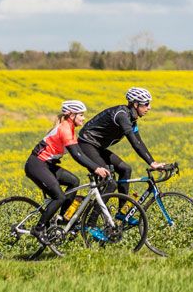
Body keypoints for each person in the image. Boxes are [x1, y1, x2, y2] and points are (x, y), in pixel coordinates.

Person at [70, 87, 165, 218]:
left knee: (125, 169)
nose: (149, 108)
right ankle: (91, 221)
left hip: (97, 147)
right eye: (146, 104)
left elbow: (139, 142)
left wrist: (152, 162)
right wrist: (152, 164)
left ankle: (122, 213)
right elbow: (134, 142)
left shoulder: (132, 119)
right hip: (86, 145)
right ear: (136, 104)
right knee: (110, 183)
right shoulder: (121, 115)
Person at [25, 99, 110, 242]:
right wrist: (96, 169)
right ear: (72, 115)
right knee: (59, 196)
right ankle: (38, 229)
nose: (83, 118)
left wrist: (97, 166)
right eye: (81, 115)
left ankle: (64, 218)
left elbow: (80, 153)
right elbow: (76, 155)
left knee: (74, 181)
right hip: (37, 165)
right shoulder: (64, 129)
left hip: (48, 165)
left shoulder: (70, 128)